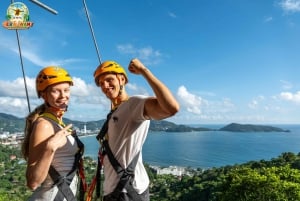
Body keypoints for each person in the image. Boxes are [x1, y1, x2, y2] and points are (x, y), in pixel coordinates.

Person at [93, 58, 180, 201]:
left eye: (109, 80)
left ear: (122, 79)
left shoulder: (134, 104)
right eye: (101, 84)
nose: (105, 86)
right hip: (115, 190)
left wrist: (144, 71)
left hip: (127, 191)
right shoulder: (116, 111)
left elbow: (171, 108)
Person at [21, 66, 85, 201]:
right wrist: (50, 148)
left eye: (66, 90)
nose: (63, 96)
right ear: (44, 95)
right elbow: (32, 182)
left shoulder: (57, 122)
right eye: (56, 91)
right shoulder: (44, 125)